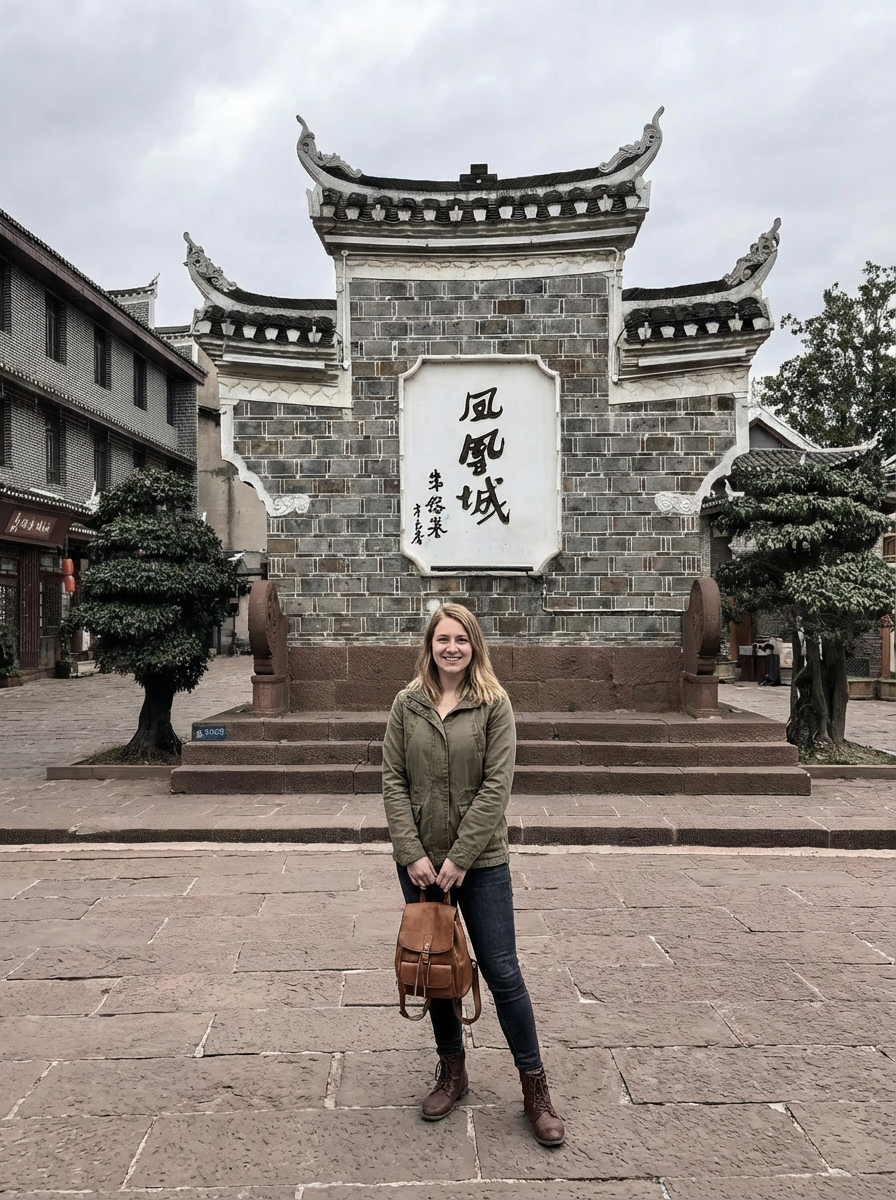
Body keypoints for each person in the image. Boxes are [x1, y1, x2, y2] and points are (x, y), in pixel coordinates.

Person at [382, 603, 565, 1146]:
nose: (452, 648)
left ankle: (535, 1088)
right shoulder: (406, 704)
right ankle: (452, 1070)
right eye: (443, 639)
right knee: (435, 967)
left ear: (474, 645)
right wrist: (411, 850)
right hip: (418, 865)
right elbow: (392, 779)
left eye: (461, 639)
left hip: (479, 863)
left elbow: (496, 786)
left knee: (503, 972)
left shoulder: (493, 704)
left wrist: (459, 857)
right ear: (430, 645)